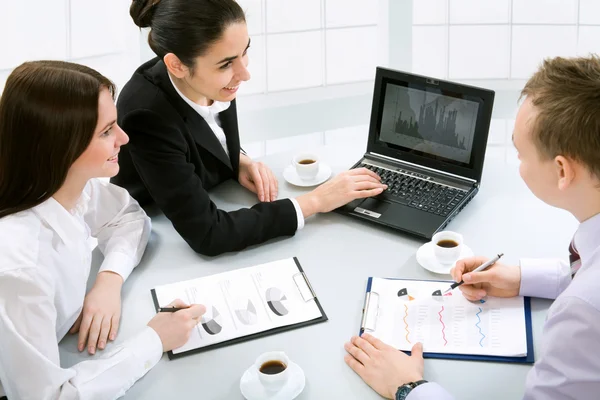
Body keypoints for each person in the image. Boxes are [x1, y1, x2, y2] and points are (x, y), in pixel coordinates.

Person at [344, 55, 600, 399]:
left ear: (562, 171)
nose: (518, 165)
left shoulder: (582, 313)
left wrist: (409, 388)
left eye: (521, 155)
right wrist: (521, 278)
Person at [112, 0, 386, 256]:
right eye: (227, 63)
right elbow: (208, 234)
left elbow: (204, 130)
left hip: (214, 195)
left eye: (245, 53)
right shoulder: (146, 115)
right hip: (157, 231)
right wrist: (315, 202)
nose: (244, 73)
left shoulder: (210, 76)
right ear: (177, 65)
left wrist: (237, 159)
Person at [0, 60, 205, 399]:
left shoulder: (69, 186)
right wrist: (154, 339)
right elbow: (51, 397)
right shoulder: (20, 270)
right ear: (62, 145)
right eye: (107, 131)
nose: (123, 138)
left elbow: (129, 216)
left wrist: (109, 281)